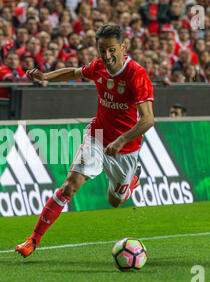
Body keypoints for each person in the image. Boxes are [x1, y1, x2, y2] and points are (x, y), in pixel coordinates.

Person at [16, 24, 154, 258]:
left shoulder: (136, 75)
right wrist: (45, 77)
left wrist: (121, 141)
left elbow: (148, 119)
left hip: (126, 148)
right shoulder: (99, 67)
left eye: (112, 50)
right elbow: (73, 72)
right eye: (102, 50)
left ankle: (131, 181)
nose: (107, 56)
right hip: (98, 136)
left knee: (115, 200)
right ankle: (33, 240)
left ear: (123, 47)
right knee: (70, 185)